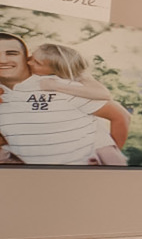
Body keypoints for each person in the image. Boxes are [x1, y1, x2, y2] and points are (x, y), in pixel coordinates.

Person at [0, 32, 129, 165]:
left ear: (26, 57)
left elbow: (120, 116)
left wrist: (110, 156)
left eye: (11, 53)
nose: (3, 60)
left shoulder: (58, 85)